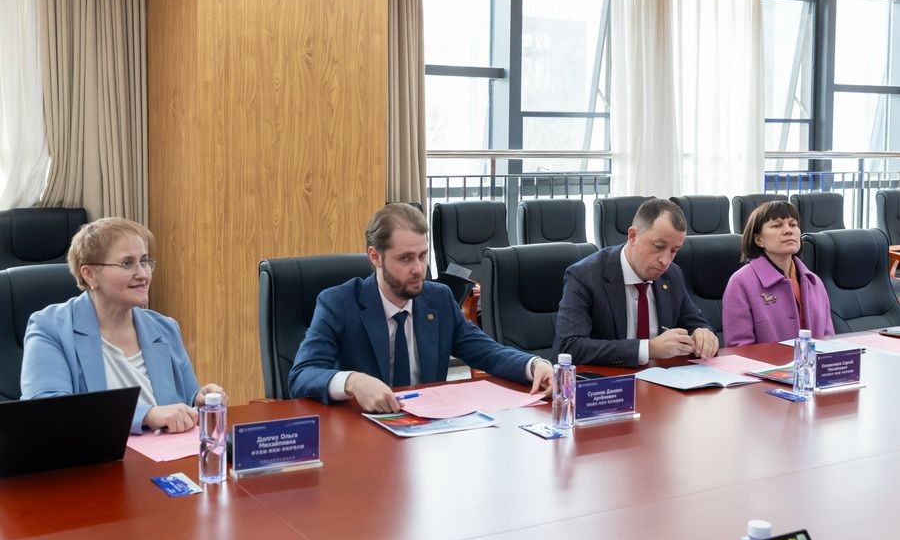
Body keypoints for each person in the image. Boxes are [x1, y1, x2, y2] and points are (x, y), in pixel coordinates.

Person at [289, 203, 554, 413]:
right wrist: (353, 382)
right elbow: (302, 376)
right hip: (364, 433)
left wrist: (533, 365)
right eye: (405, 258)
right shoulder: (339, 303)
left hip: (428, 431)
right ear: (375, 256)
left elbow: (486, 352)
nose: (419, 269)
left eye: (423, 256)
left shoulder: (439, 299)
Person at [20, 217, 226, 434]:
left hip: (166, 452)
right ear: (89, 274)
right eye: (127, 263)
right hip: (95, 453)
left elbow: (186, 401)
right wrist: (145, 415)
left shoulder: (165, 328)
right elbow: (47, 412)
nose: (143, 274)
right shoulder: (49, 328)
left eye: (144, 261)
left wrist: (201, 402)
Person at [553, 198, 718, 367]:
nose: (665, 261)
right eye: (658, 246)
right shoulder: (585, 275)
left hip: (662, 378)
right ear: (632, 236)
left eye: (674, 251)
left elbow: (696, 323)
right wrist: (648, 349)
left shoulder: (672, 275)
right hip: (609, 380)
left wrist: (704, 335)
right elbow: (568, 347)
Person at [722, 200, 834, 346]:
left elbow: (829, 341)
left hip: (813, 361)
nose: (788, 231)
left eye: (793, 224)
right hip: (763, 362)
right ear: (758, 239)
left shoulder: (814, 282)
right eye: (777, 225)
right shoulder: (741, 282)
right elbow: (740, 349)